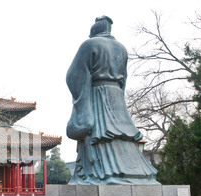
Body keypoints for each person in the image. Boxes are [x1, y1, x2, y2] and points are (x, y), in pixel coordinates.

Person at [65, 16, 159, 185]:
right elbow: (124, 78)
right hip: (116, 97)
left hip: (96, 94)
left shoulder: (89, 45)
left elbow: (74, 76)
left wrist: (82, 102)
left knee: (99, 132)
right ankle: (135, 172)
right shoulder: (121, 49)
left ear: (94, 30)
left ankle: (98, 172)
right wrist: (118, 96)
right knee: (120, 133)